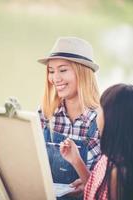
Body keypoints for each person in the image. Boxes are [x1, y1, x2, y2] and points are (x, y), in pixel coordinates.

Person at [37, 37, 103, 198]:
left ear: (82, 72)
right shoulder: (46, 112)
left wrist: (88, 183)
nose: (55, 78)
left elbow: (106, 182)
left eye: (63, 70)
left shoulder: (101, 119)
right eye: (51, 71)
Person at [60, 84, 133, 200]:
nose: (97, 114)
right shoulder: (110, 157)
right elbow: (99, 190)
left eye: (101, 109)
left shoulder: (118, 173)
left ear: (113, 119)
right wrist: (76, 160)